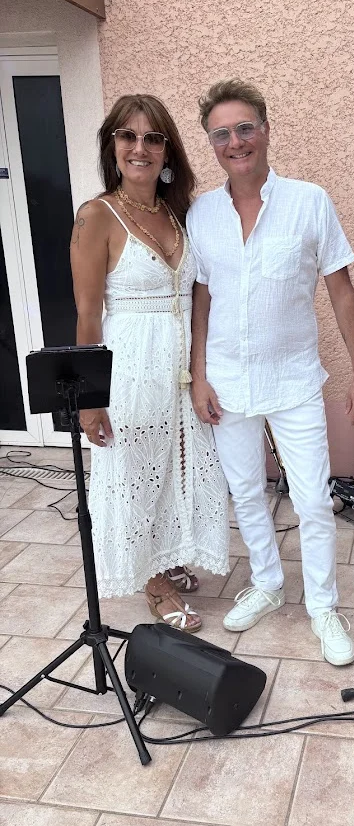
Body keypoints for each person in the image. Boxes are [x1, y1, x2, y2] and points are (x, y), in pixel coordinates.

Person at [188, 79, 354, 665]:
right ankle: (267, 583)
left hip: (293, 380)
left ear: (266, 130)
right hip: (227, 381)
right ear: (211, 143)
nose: (235, 142)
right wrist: (198, 374)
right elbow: (201, 298)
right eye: (222, 133)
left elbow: (340, 290)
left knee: (313, 500)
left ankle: (323, 606)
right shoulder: (202, 213)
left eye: (245, 128)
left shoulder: (309, 202)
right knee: (245, 491)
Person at [70, 94, 230, 632]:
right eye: (128, 136)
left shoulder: (178, 213)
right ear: (112, 146)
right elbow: (87, 315)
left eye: (152, 138)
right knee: (136, 472)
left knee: (177, 468)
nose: (139, 148)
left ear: (167, 151)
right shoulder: (96, 216)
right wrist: (91, 399)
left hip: (181, 370)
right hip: (131, 370)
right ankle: (152, 582)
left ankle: (166, 554)